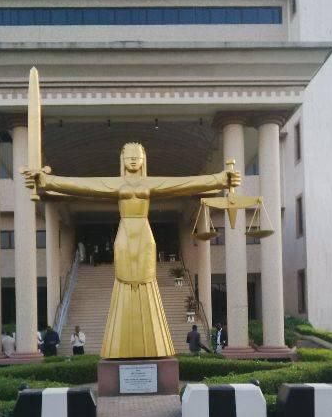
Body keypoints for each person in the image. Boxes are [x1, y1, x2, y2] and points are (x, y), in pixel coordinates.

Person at [24, 142, 240, 358]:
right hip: (125, 233)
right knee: (123, 277)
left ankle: (155, 343)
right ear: (122, 159)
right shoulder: (115, 184)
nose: (133, 159)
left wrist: (221, 179)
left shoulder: (150, 183)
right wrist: (46, 181)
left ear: (144, 159)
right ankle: (120, 343)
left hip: (144, 234)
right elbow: (81, 185)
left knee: (146, 279)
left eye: (137, 156)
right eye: (129, 156)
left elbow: (185, 184)